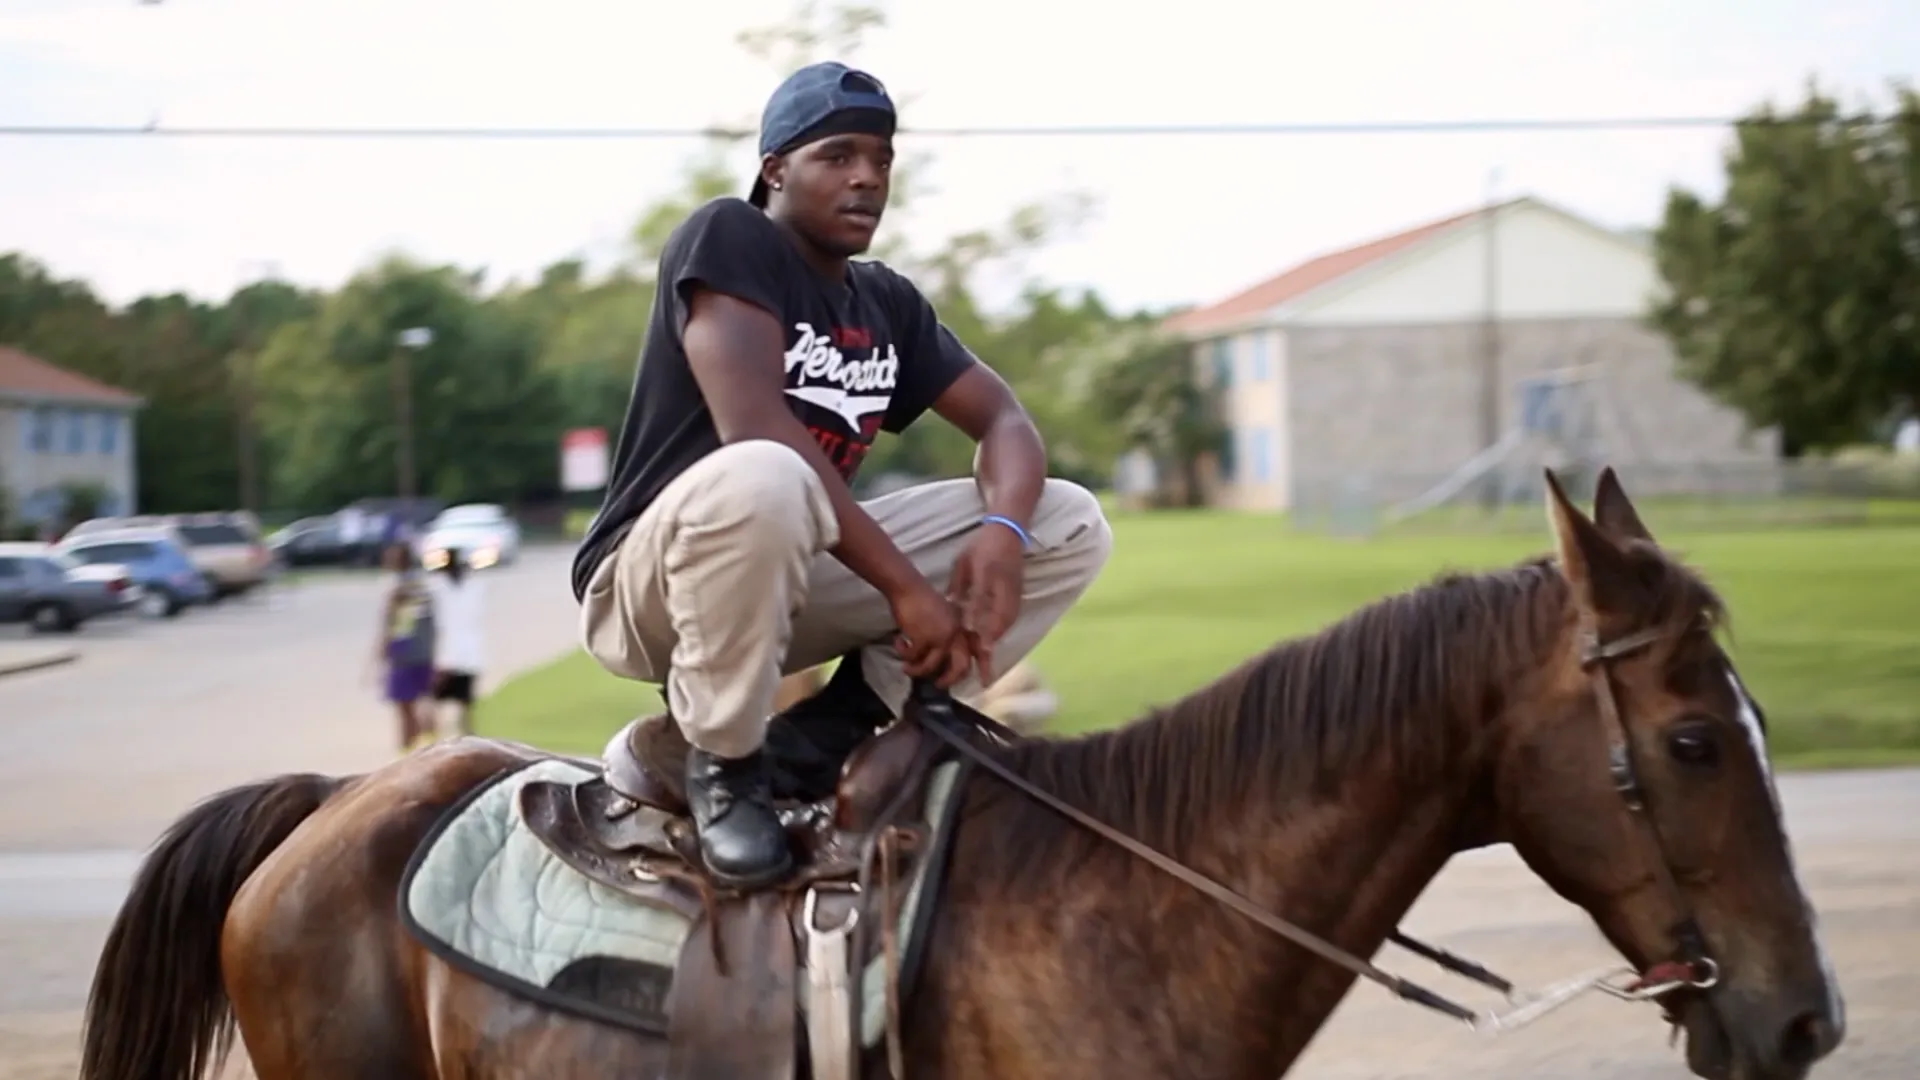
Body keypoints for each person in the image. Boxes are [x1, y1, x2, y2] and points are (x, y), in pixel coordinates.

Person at [572, 60, 1113, 890]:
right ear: (775, 169)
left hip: (787, 569)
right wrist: (906, 589)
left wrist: (1003, 538)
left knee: (1066, 517)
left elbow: (1006, 423)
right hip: (655, 584)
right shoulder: (731, 237)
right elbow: (760, 428)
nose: (867, 176)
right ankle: (723, 767)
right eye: (838, 155)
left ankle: (843, 729)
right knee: (764, 473)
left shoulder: (883, 303)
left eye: (882, 159)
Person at [374, 541, 438, 752]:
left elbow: (396, 624)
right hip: (424, 652)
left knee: (404, 707)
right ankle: (430, 741)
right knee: (425, 700)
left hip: (403, 653)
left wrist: (383, 648)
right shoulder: (423, 586)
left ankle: (407, 749)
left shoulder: (399, 589)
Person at [427, 546, 486, 737]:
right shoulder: (439, 588)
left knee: (464, 700)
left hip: (466, 651)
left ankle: (466, 734)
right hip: (447, 652)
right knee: (437, 699)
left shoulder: (471, 587)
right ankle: (435, 735)